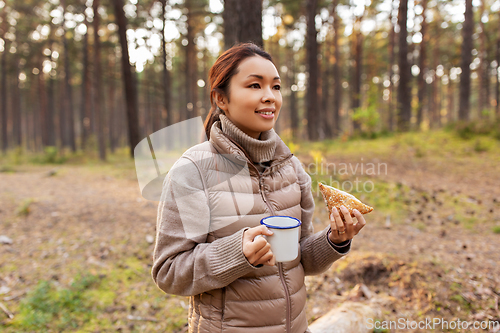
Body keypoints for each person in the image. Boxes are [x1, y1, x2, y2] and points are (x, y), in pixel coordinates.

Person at [152, 43, 366, 333]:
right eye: (254, 85)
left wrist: (334, 240)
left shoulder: (293, 169)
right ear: (221, 99)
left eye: (276, 87)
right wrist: (237, 254)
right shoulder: (193, 171)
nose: (269, 97)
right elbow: (169, 271)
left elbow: (300, 257)